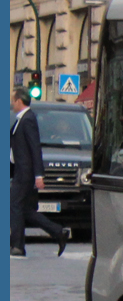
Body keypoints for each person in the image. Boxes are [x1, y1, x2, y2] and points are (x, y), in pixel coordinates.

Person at [10, 88, 70, 257]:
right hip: (20, 171)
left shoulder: (28, 119)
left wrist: (38, 175)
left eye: (13, 100)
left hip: (25, 173)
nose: (12, 104)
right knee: (26, 210)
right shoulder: (21, 120)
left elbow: (35, 147)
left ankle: (17, 246)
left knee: (13, 205)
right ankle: (59, 232)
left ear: (19, 101)